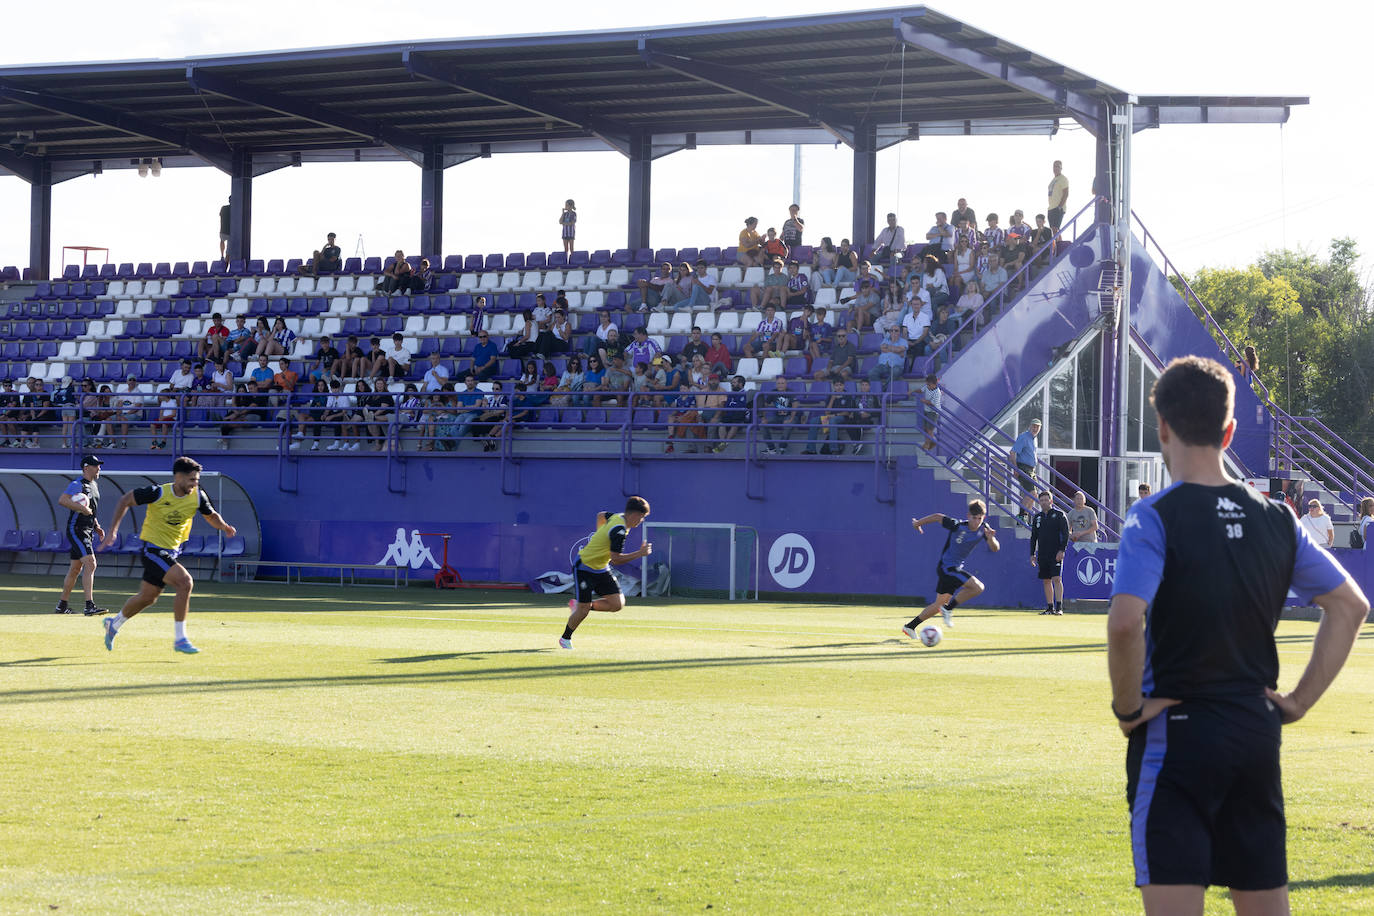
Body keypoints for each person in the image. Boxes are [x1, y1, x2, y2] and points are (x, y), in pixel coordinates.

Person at [1106, 355, 1367, 915]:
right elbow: (1349, 607)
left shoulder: (1152, 516)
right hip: (1255, 734)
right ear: (1228, 431)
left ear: (1163, 429)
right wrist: (1296, 702)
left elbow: (1126, 621)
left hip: (1174, 738)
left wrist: (1128, 709)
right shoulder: (1279, 518)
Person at [99, 456, 238, 654]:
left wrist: (224, 527)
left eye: (197, 480)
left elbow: (211, 515)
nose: (195, 484)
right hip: (152, 549)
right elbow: (125, 500)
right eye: (192, 479)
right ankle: (180, 639)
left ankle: (113, 624)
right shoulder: (158, 492)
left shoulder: (198, 496)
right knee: (185, 582)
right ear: (178, 477)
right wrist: (113, 531)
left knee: (147, 597)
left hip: (171, 552)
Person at [559, 497, 653, 648]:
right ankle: (565, 638)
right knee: (583, 611)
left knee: (617, 604)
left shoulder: (618, 517)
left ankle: (579, 605)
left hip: (601, 568)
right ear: (634, 514)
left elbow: (601, 515)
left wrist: (600, 535)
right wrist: (639, 553)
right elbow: (615, 559)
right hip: (584, 566)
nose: (641, 521)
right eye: (641, 517)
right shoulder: (619, 530)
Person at [903, 500, 1000, 632]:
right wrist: (917, 524)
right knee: (978, 587)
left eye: (980, 518)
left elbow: (995, 549)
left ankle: (910, 627)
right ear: (968, 516)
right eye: (974, 518)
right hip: (947, 568)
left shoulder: (985, 529)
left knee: (938, 604)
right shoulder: (957, 525)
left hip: (954, 569)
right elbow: (937, 517)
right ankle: (948, 609)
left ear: (983, 518)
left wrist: (991, 539)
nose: (977, 521)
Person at [55, 454, 109, 616]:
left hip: (87, 529)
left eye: (99, 465)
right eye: (96, 465)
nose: (99, 467)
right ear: (86, 468)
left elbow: (91, 508)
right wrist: (82, 509)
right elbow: (63, 500)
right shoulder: (77, 484)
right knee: (91, 564)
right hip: (77, 529)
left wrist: (97, 526)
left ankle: (62, 606)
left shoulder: (94, 485)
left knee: (75, 569)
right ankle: (89, 606)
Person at [1029, 490, 1069, 616]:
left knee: (1057, 578)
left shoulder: (1059, 515)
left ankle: (1059, 607)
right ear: (1039, 502)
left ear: (1051, 501)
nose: (1044, 502)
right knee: (1046, 580)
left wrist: (1062, 550)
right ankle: (1050, 607)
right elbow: (1033, 536)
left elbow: (1066, 534)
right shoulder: (1037, 517)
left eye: (1046, 500)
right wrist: (1032, 554)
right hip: (1042, 554)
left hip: (1055, 553)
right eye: (1042, 500)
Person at [1010, 419, 1041, 518]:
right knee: (1032, 492)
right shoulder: (1024, 437)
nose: (1035, 428)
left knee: (1035, 494)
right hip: (1023, 467)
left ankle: (1026, 517)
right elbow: (1012, 452)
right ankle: (1021, 515)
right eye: (1034, 426)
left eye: (1037, 427)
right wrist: (1015, 468)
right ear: (1030, 426)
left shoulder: (1034, 438)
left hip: (1031, 469)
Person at [918, 373, 941, 451]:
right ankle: (932, 442)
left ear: (935, 384)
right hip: (927, 410)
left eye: (929, 385)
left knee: (929, 429)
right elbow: (921, 390)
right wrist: (912, 391)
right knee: (925, 428)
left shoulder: (937, 392)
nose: (928, 386)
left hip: (933, 412)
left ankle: (928, 443)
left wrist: (924, 401)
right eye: (927, 384)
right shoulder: (927, 387)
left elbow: (933, 403)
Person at [1047, 160, 1069, 232]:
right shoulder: (1054, 179)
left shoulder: (1063, 178)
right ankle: (1058, 243)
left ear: (1061, 168)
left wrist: (1059, 206)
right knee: (1052, 231)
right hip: (1051, 207)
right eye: (1054, 166)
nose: (1056, 168)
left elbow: (1066, 193)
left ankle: (1057, 243)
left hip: (1058, 207)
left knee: (1055, 229)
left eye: (1058, 166)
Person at [218, 198, 230, 263]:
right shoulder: (234, 209)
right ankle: (225, 261)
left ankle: (223, 257)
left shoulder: (224, 208)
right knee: (228, 250)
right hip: (229, 231)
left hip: (223, 229)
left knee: (222, 241)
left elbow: (220, 215)